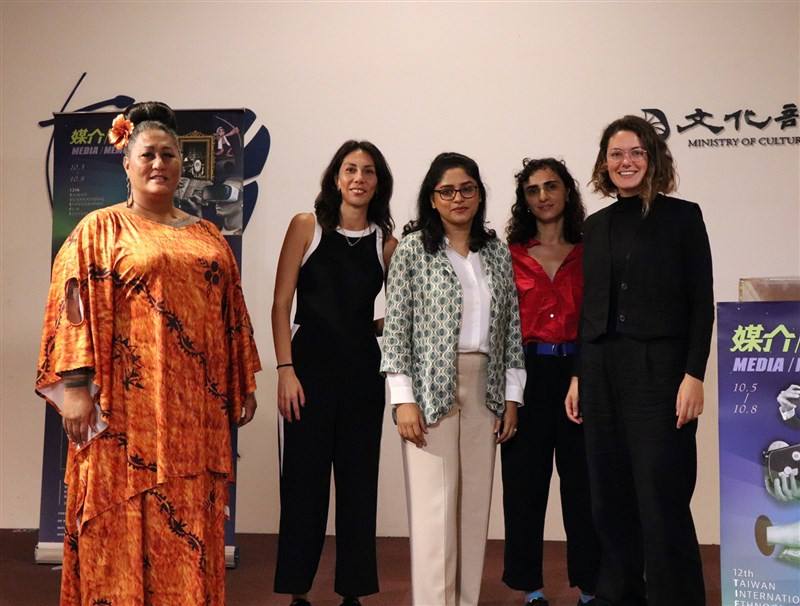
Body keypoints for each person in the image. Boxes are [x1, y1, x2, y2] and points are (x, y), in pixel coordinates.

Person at [35, 101, 261, 606]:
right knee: (116, 526)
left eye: (168, 155)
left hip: (194, 418)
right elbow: (70, 305)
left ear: (183, 164)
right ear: (127, 163)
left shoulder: (207, 235)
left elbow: (232, 312)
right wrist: (75, 386)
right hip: (122, 417)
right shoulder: (100, 229)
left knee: (189, 532)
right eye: (147, 155)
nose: (158, 164)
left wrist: (244, 379)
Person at [566, 115, 713, 606]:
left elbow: (701, 302)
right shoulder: (595, 225)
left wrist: (694, 374)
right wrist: (579, 375)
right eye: (615, 154)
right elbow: (591, 310)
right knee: (609, 496)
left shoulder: (684, 217)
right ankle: (619, 595)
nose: (625, 162)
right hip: (603, 372)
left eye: (635, 153)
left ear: (652, 158)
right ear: (604, 164)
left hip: (662, 373)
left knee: (660, 497)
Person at [381, 152, 526, 606]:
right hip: (430, 388)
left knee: (473, 510)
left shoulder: (496, 251)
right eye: (447, 191)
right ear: (432, 198)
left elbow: (512, 332)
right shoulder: (412, 250)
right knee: (434, 514)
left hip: (486, 387)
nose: (458, 198)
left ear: (479, 194)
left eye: (467, 189)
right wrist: (403, 398)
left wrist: (512, 398)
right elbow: (396, 329)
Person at [271, 140, 397, 606]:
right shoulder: (308, 226)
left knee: (359, 484)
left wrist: (375, 325)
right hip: (308, 370)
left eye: (368, 170)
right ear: (337, 177)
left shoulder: (387, 244)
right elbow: (282, 304)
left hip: (364, 373)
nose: (359, 178)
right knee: (304, 483)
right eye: (350, 169)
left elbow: (395, 314)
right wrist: (286, 369)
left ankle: (354, 592)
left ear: (377, 182)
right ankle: (297, 590)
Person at [503, 158, 600, 606]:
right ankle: (531, 588)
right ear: (524, 199)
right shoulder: (508, 255)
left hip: (580, 377)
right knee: (524, 486)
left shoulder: (592, 250)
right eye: (532, 189)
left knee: (584, 486)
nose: (542, 196)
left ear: (567, 192)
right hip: (526, 374)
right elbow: (497, 325)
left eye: (551, 186)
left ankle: (589, 585)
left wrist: (584, 373)